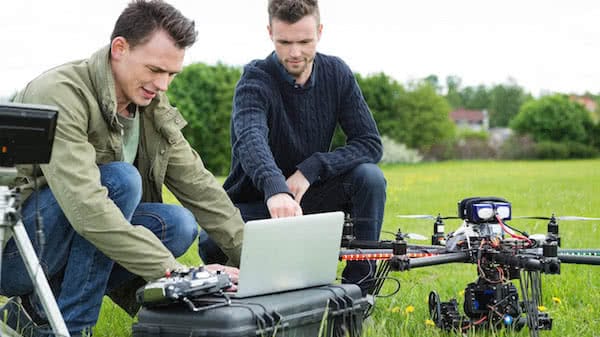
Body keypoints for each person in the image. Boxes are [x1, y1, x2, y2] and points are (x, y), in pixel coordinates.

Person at [0, 1, 244, 336]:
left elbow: (199, 185)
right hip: (15, 251)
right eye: (156, 70)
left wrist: (257, 261)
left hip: (70, 238)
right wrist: (175, 272)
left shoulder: (150, 105)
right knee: (121, 181)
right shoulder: (60, 93)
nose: (163, 85)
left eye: (171, 74)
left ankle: (35, 311)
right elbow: (88, 208)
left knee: (177, 224)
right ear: (120, 48)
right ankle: (71, 328)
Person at [198, 0, 386, 297]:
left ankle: (359, 293)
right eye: (284, 41)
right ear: (270, 32)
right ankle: (242, 284)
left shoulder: (337, 73)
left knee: (369, 177)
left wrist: (311, 169)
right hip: (255, 205)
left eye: (304, 41)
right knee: (210, 241)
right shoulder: (255, 78)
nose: (295, 52)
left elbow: (369, 143)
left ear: (320, 32)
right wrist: (275, 188)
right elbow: (250, 138)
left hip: (312, 201)